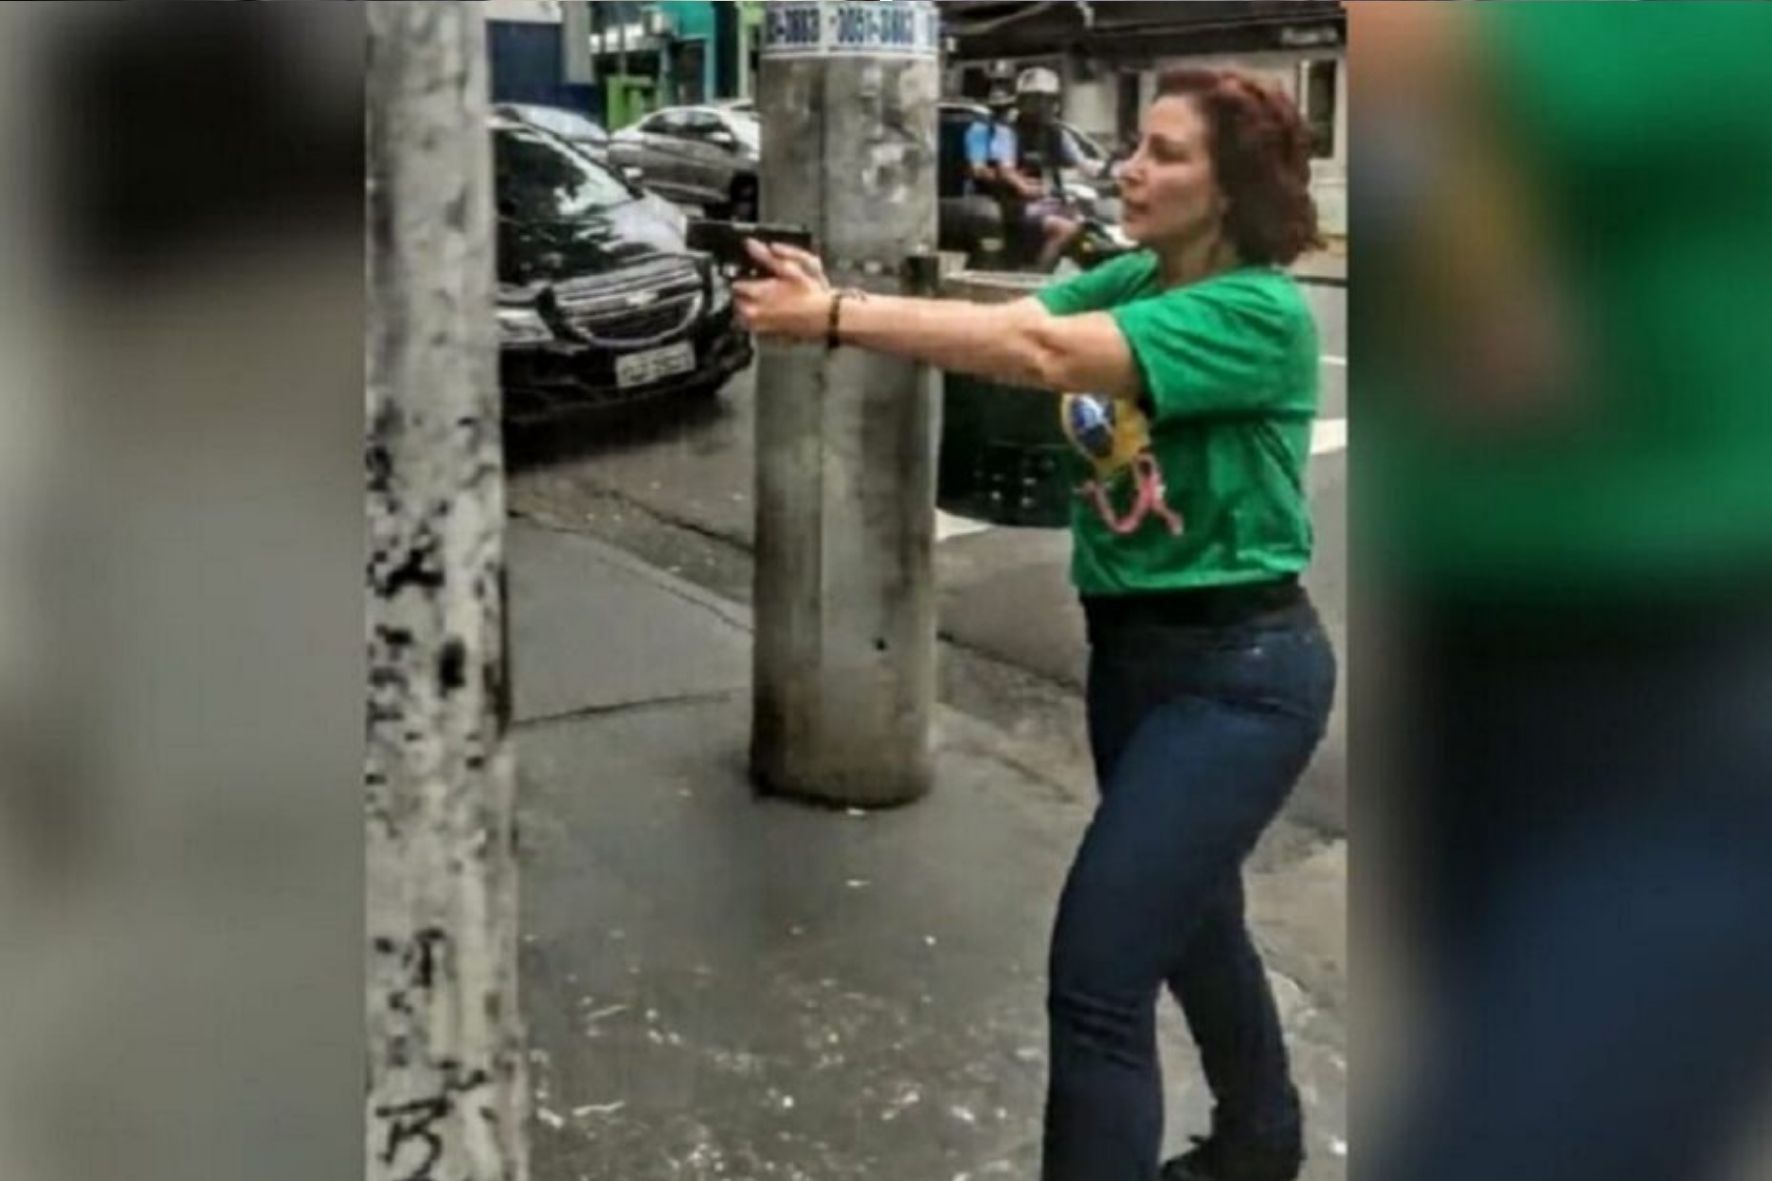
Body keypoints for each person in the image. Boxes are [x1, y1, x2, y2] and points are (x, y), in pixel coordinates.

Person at [735, 67, 1330, 1181]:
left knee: (1098, 976)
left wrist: (830, 318)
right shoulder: (1136, 275)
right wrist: (835, 296)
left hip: (1239, 675)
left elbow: (1040, 356)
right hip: (1131, 661)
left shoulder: (1258, 313)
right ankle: (1263, 1141)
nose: (1130, 169)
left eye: (1163, 153)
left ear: (1232, 186)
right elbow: (1010, 321)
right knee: (1195, 923)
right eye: (1135, 146)